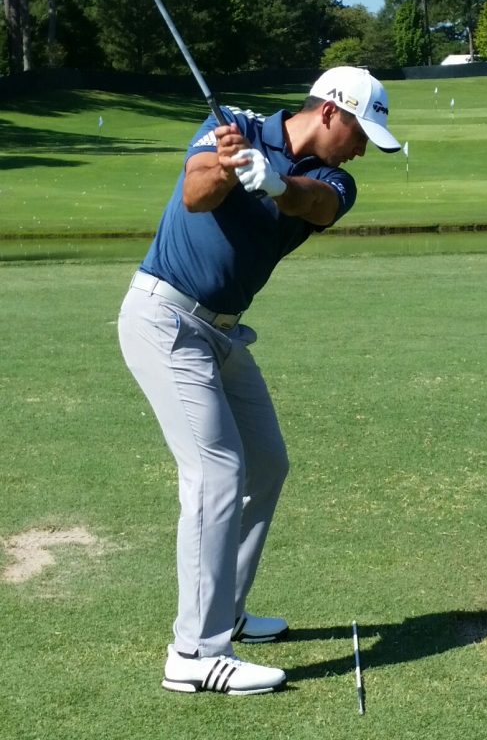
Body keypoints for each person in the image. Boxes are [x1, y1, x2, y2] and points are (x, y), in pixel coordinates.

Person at [118, 66, 401, 696]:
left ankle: (226, 613)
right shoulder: (236, 127)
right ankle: (194, 651)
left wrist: (274, 182)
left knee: (266, 462)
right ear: (331, 112)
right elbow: (194, 193)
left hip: (221, 333)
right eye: (360, 131)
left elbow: (316, 204)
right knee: (216, 470)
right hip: (166, 317)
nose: (362, 148)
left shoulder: (333, 179)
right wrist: (225, 166)